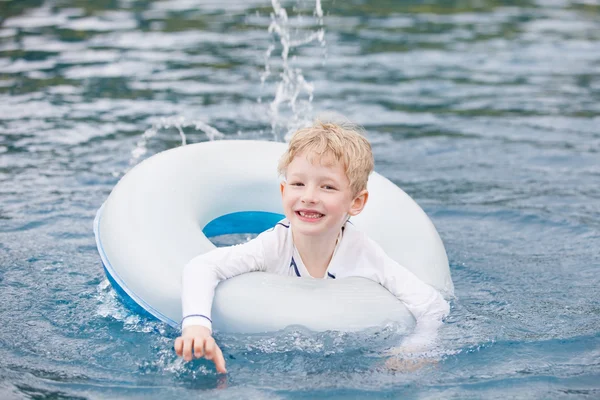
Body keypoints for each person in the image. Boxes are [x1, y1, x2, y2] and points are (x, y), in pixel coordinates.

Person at [174, 121, 450, 373]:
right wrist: (197, 326)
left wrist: (415, 347)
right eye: (297, 184)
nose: (308, 197)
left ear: (356, 202)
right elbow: (203, 266)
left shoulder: (365, 253)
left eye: (327, 188)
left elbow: (431, 305)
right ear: (283, 192)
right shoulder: (274, 244)